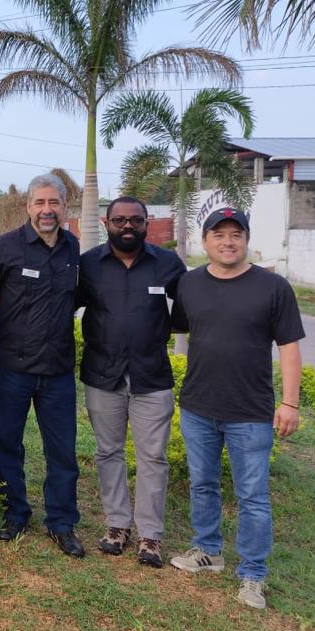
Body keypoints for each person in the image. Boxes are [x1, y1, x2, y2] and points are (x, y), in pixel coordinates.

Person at [169, 208, 304, 610]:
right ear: (204, 240)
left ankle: (252, 574)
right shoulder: (189, 284)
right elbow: (177, 329)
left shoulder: (273, 287)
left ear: (246, 239)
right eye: (218, 234)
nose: (227, 241)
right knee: (203, 483)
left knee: (253, 496)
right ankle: (208, 550)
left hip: (250, 412)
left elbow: (290, 347)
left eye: (235, 234)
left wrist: (290, 402)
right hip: (197, 407)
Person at [0, 173, 84, 557]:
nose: (46, 210)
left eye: (53, 203)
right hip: (12, 368)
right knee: (7, 442)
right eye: (39, 203)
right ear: (27, 207)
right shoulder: (5, 247)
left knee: (62, 450)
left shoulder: (73, 249)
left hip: (57, 371)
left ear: (64, 206)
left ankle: (61, 522)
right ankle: (16, 513)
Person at [76, 196, 186, 567]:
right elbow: (62, 305)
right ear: (107, 222)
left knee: (153, 457)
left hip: (151, 376)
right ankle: (117, 525)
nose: (127, 226)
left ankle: (150, 535)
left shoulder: (168, 263)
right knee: (108, 452)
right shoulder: (88, 264)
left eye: (135, 221)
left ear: (146, 223)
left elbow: (188, 313)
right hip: (101, 373)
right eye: (119, 220)